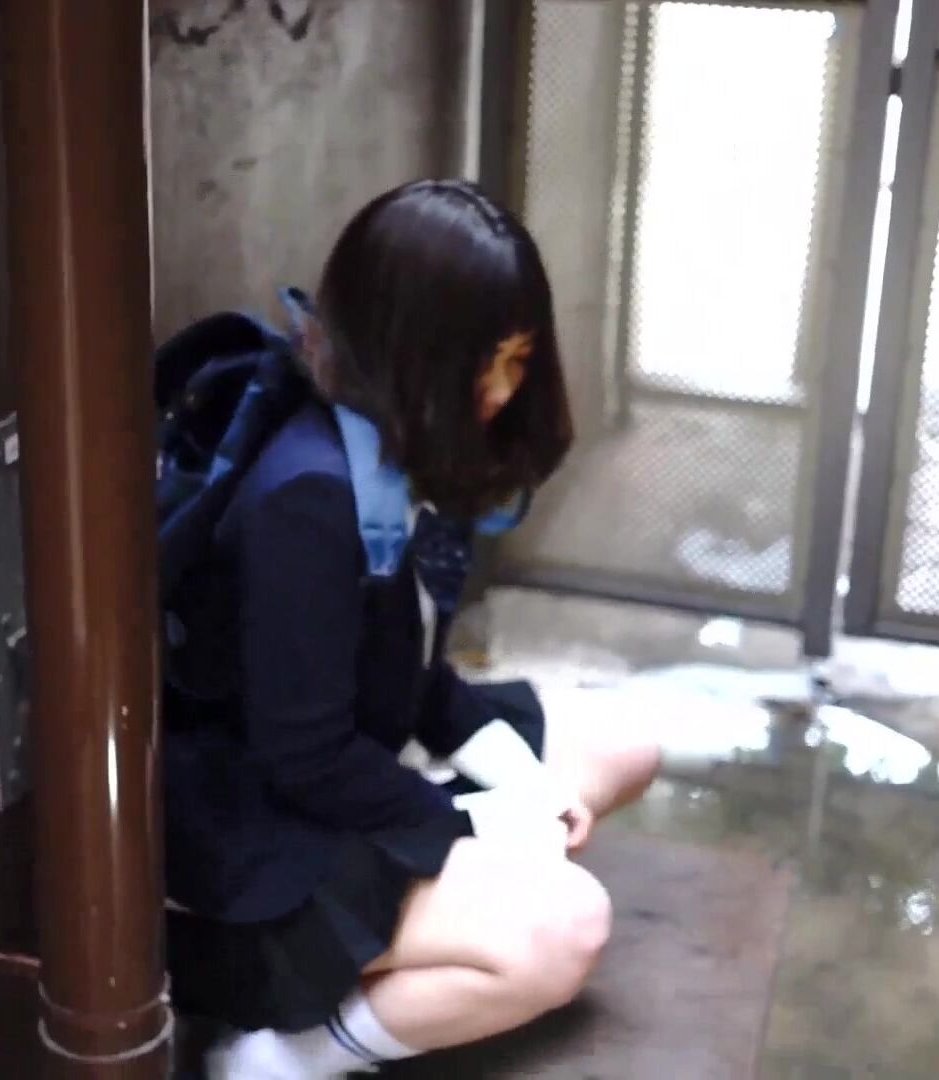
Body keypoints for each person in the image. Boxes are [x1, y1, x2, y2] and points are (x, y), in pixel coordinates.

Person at [162, 179, 662, 1079]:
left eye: (518, 359)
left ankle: (447, 899)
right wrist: (470, 825)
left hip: (361, 760)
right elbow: (303, 759)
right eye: (485, 363)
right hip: (264, 847)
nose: (504, 390)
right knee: (567, 928)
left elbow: (417, 678)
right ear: (412, 353)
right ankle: (279, 1060)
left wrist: (521, 786)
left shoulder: (388, 445)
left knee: (623, 746)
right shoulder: (308, 496)